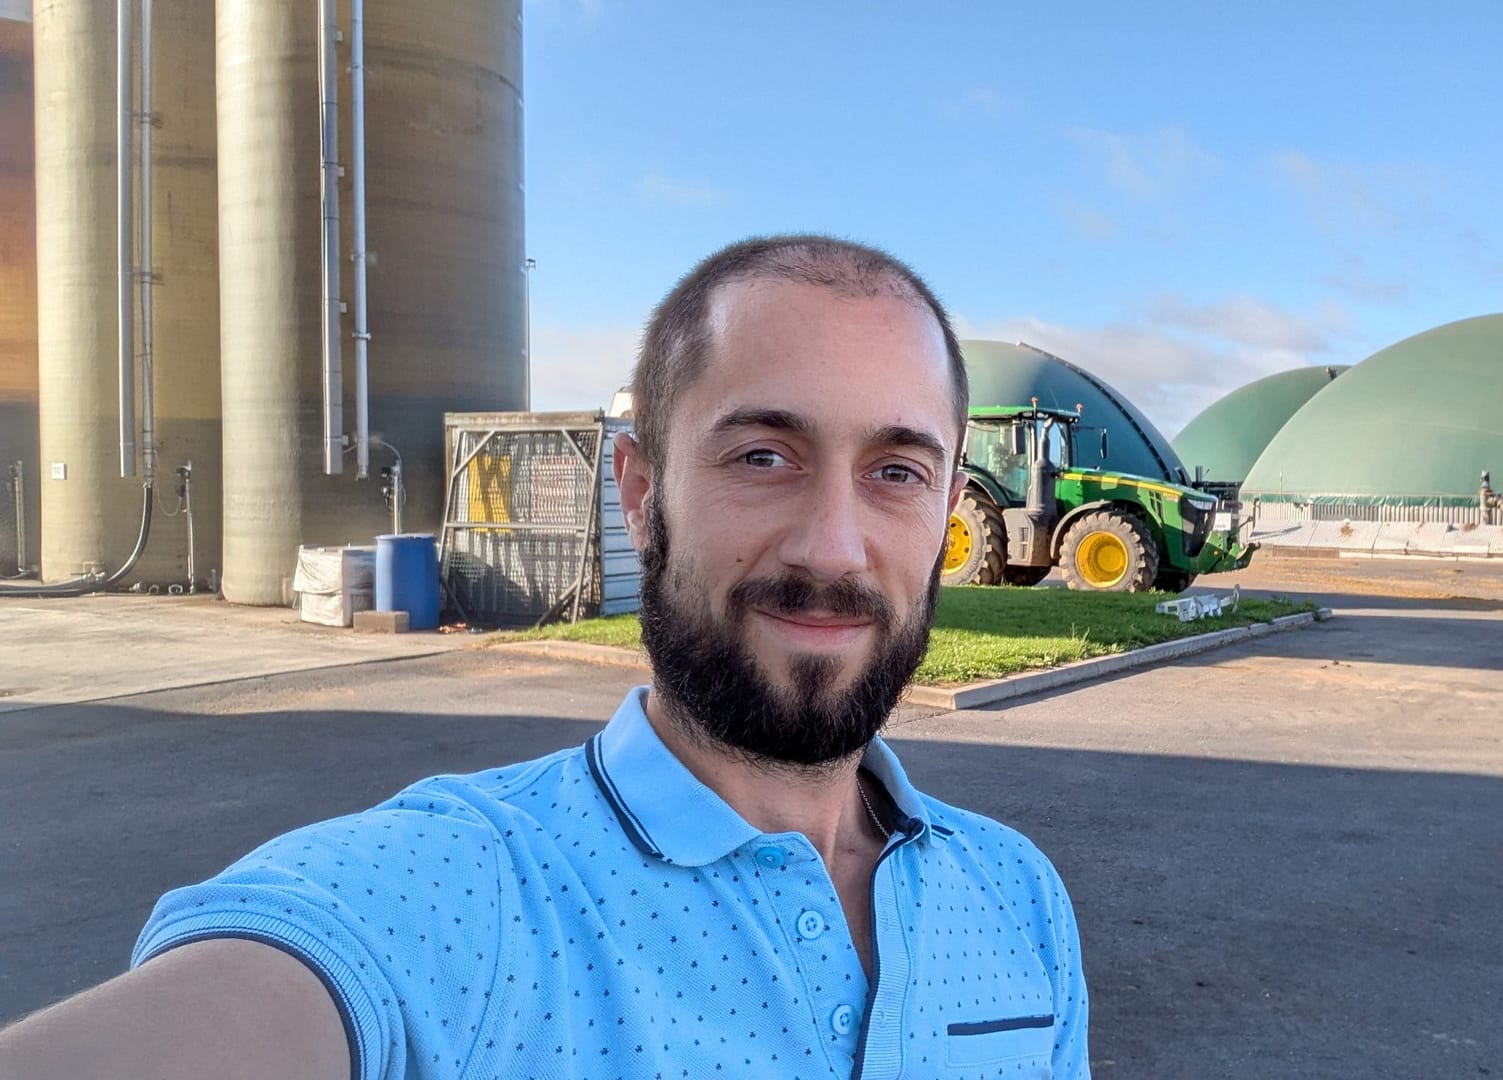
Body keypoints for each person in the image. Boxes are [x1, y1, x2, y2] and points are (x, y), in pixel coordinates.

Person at [0, 235, 1091, 1079]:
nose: (832, 548)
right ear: (638, 489)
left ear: (949, 504)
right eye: (764, 456)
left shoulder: (1015, 895)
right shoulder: (466, 890)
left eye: (895, 472)